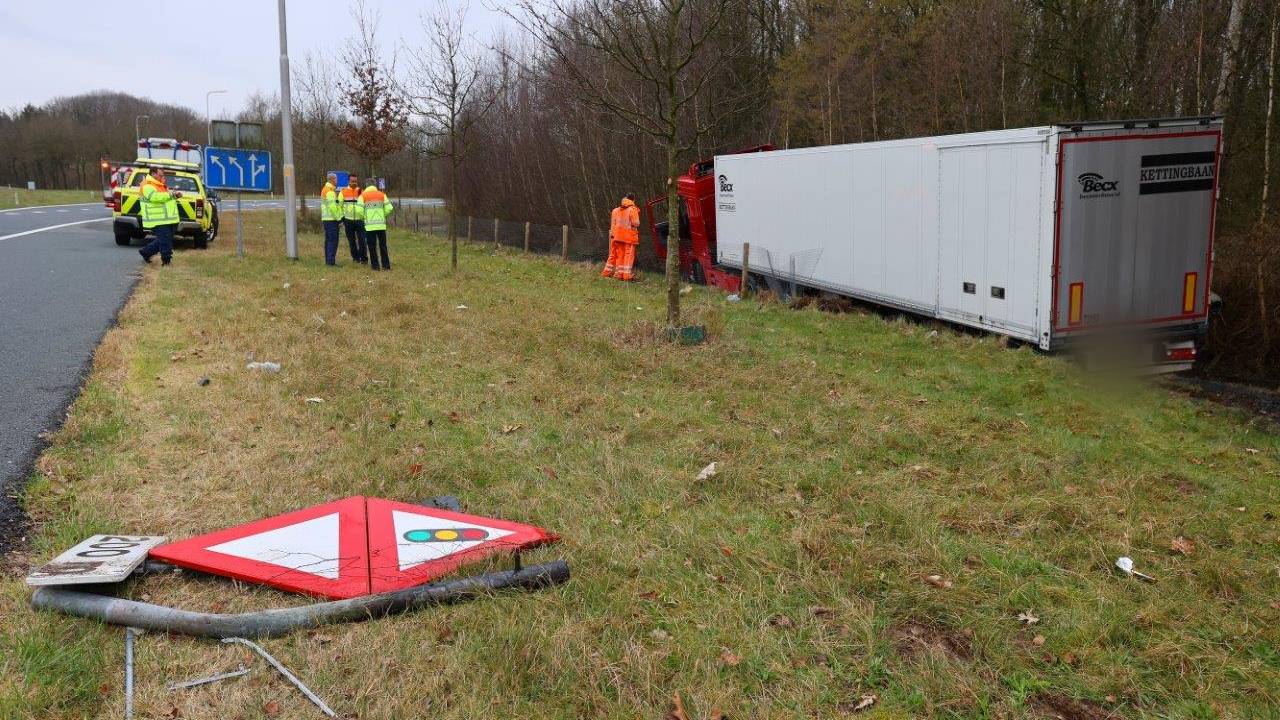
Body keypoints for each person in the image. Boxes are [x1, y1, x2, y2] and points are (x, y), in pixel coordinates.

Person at [138, 166, 181, 266]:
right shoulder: (147, 185)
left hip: (167, 218)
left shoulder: (159, 184)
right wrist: (171, 195)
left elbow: (164, 199)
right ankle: (166, 262)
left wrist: (174, 195)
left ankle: (146, 252)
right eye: (160, 174)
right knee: (165, 240)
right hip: (157, 218)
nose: (162, 176)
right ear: (153, 174)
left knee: (165, 239)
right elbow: (155, 197)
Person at [602, 194, 641, 281]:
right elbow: (636, 223)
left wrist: (613, 234)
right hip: (629, 237)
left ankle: (615, 273)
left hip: (616, 236)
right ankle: (626, 275)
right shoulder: (632, 209)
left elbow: (614, 224)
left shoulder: (617, 210)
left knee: (616, 255)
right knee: (628, 256)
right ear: (633, 200)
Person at [360, 182, 394, 271]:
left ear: (366, 186)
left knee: (372, 246)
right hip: (381, 225)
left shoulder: (363, 195)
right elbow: (389, 208)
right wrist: (383, 215)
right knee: (383, 246)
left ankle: (375, 266)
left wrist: (365, 217)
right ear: (375, 186)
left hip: (370, 226)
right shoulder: (382, 194)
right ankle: (386, 266)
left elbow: (359, 210)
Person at [340, 175, 367, 263]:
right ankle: (355, 258)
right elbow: (339, 206)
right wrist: (342, 218)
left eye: (355, 181)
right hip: (348, 220)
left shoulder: (361, 191)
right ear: (348, 181)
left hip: (360, 220)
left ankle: (364, 259)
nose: (354, 183)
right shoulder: (343, 192)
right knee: (351, 241)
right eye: (352, 181)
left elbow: (365, 205)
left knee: (362, 240)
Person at [320, 173, 342, 266]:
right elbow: (332, 207)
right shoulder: (330, 191)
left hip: (326, 218)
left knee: (329, 240)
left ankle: (328, 260)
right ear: (332, 179)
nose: (337, 181)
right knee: (333, 240)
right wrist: (339, 218)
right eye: (336, 179)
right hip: (331, 219)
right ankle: (331, 262)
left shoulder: (326, 189)